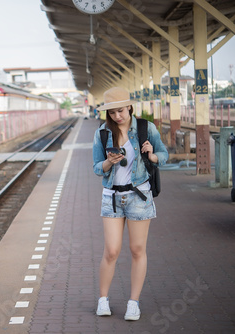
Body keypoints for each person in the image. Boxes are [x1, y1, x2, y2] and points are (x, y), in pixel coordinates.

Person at [92, 87, 168, 321]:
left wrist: (152, 154)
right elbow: (96, 167)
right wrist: (108, 162)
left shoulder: (146, 128)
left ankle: (133, 303)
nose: (118, 116)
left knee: (137, 250)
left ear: (130, 108)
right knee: (112, 251)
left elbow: (163, 155)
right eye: (113, 112)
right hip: (112, 197)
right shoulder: (103, 133)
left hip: (139, 196)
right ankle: (102, 299)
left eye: (121, 110)